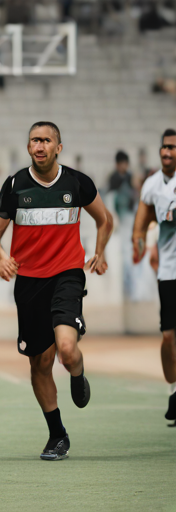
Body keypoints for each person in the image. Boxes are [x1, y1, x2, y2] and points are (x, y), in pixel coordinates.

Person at [0, 121, 113, 461]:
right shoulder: (14, 186)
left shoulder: (77, 182)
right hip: (28, 283)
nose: (39, 146)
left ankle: (77, 371)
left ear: (59, 147)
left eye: (46, 140)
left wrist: (100, 251)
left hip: (67, 274)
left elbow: (105, 219)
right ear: (28, 147)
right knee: (40, 362)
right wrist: (0, 257)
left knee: (66, 350)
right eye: (34, 140)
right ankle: (57, 434)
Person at [132, 128, 176, 425]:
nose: (167, 152)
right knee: (168, 336)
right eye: (164, 147)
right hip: (169, 271)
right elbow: (142, 218)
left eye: (172, 148)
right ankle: (173, 389)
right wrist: (137, 240)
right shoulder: (152, 185)